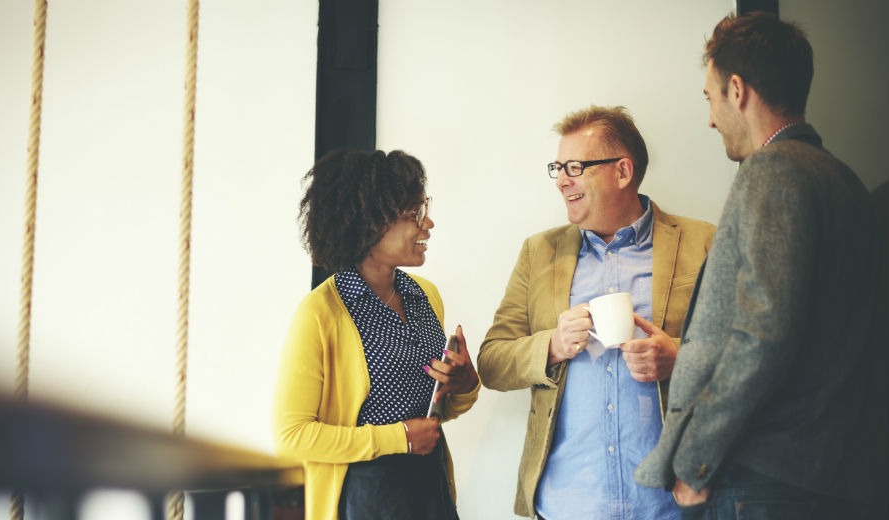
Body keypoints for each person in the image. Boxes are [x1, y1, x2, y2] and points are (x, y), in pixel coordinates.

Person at [634, 12, 878, 519]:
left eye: (710, 97)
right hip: (838, 476)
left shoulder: (772, 169)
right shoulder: (848, 184)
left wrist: (697, 460)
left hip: (765, 483)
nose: (709, 117)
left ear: (737, 90)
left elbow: (763, 332)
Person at [477, 105, 715, 519]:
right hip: (569, 504)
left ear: (622, 172)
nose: (561, 181)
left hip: (669, 505)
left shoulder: (704, 242)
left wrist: (677, 355)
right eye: (558, 167)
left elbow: (745, 353)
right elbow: (492, 362)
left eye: (575, 166)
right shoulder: (539, 252)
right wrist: (551, 345)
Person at [272, 148, 480, 520]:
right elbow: (292, 436)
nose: (427, 224)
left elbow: (431, 413)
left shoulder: (425, 295)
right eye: (413, 214)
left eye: (424, 209)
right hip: (366, 494)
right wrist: (398, 438)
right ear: (368, 223)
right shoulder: (320, 314)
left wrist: (464, 385)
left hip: (429, 486)